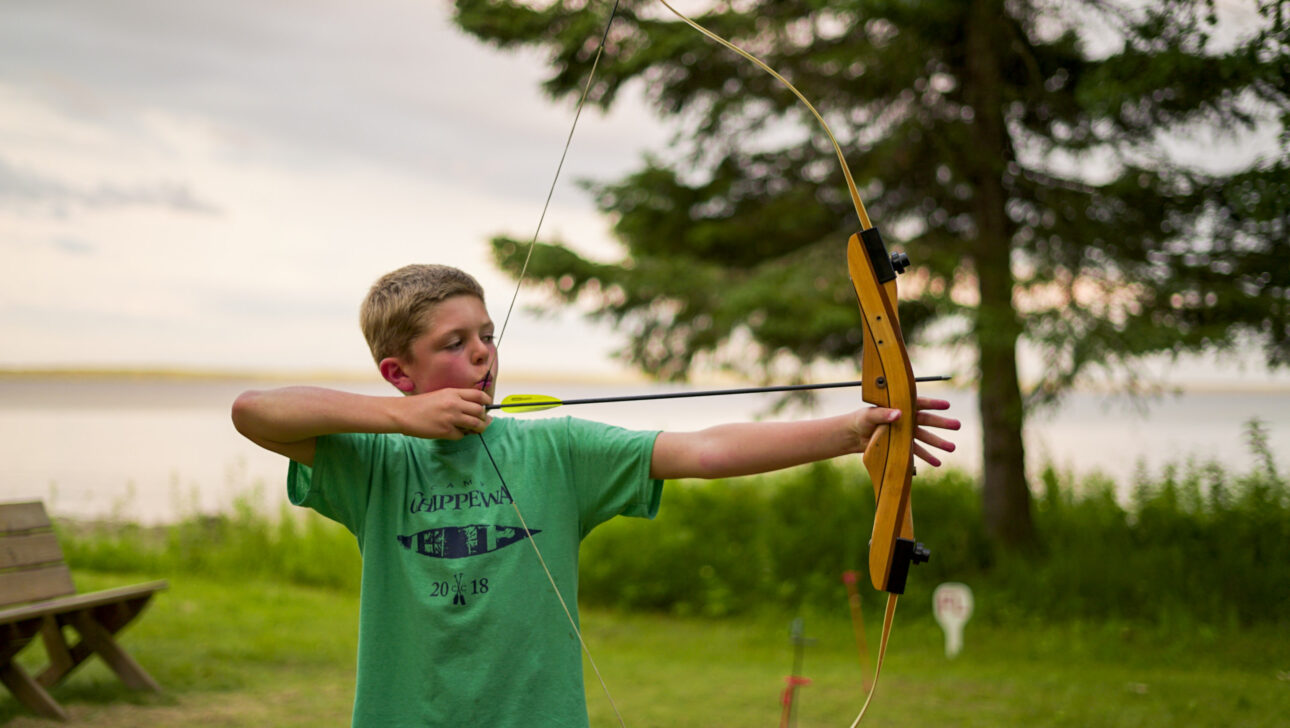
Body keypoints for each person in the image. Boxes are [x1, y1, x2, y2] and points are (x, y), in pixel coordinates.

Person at [231, 263, 960, 728]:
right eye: (454, 344)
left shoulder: (555, 448)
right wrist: (401, 421)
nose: (483, 352)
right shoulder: (377, 464)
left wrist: (852, 429)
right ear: (399, 373)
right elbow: (254, 411)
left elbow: (702, 451)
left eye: (486, 333)